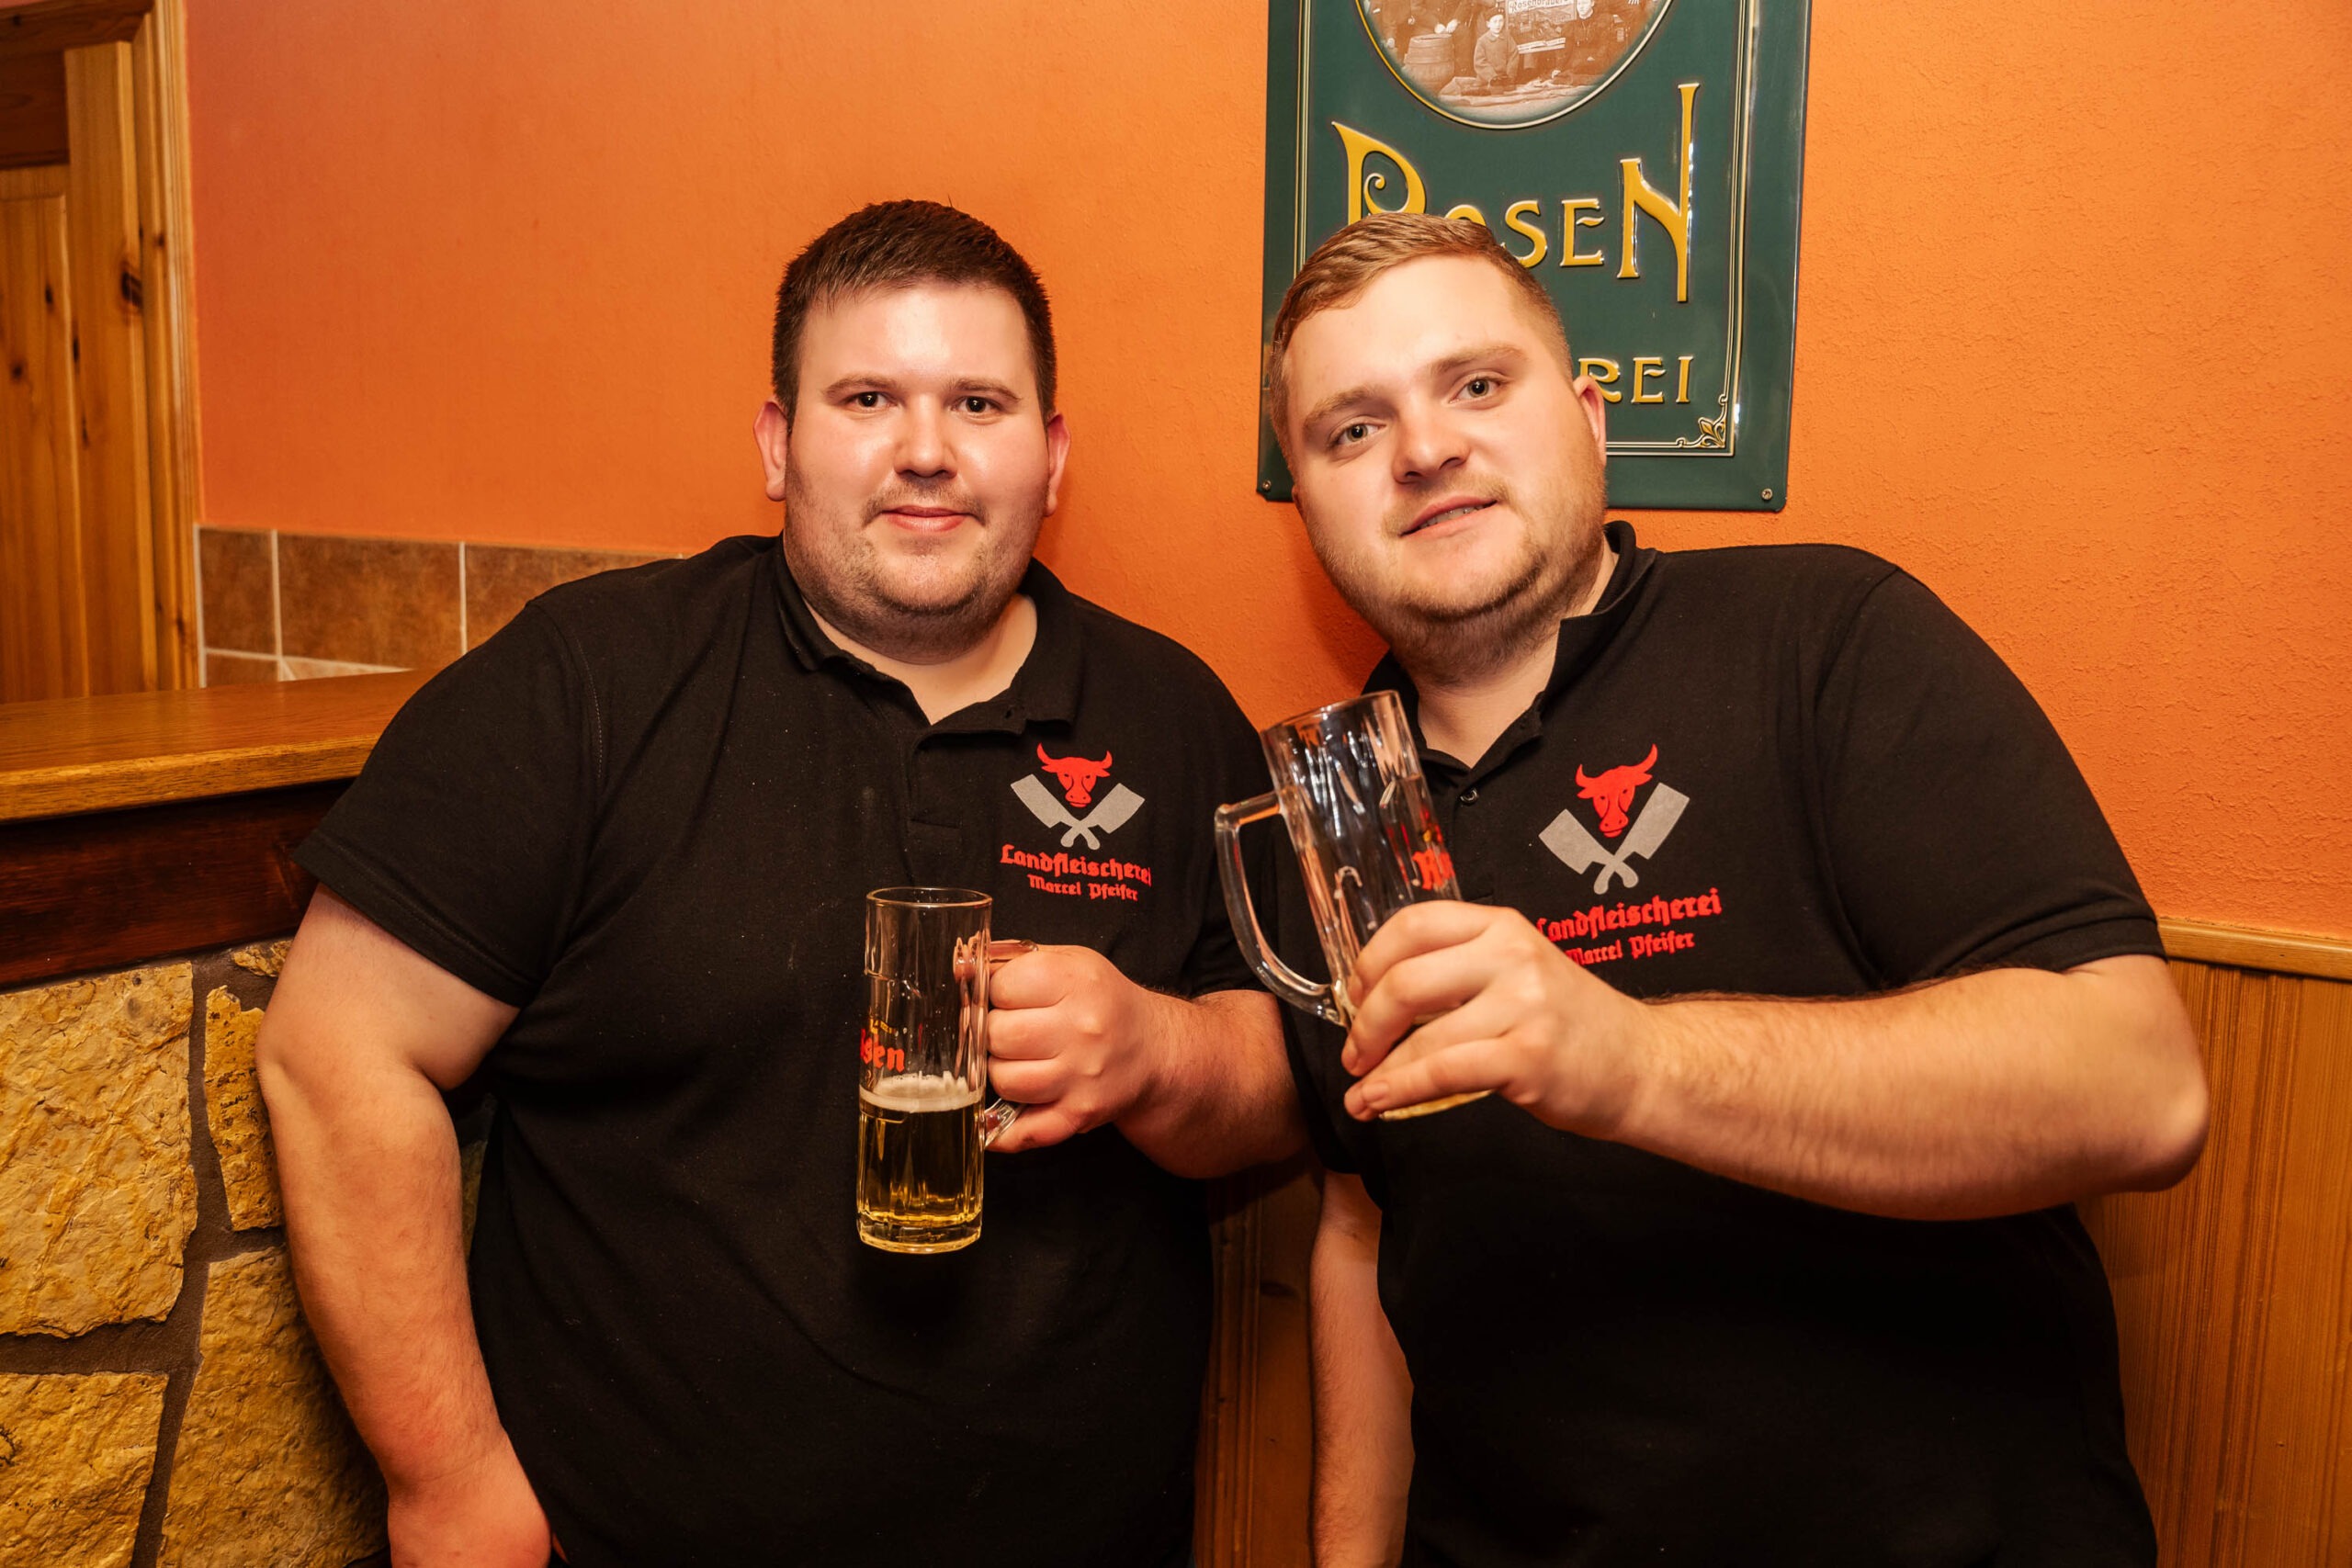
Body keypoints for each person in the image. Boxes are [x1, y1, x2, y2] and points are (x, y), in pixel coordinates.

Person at [255, 200, 1300, 1568]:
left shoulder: (1174, 716)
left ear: (1050, 459)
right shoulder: (589, 684)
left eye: (978, 403)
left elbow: (1284, 1079)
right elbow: (337, 1051)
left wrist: (1161, 1054)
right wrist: (448, 1481)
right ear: (776, 443)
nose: (925, 450)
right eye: (867, 398)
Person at [1261, 211, 2208, 1566]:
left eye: (1476, 384)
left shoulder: (1822, 639)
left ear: (1590, 419)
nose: (1423, 448)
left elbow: (2140, 1088)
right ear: (1306, 501)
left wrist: (1631, 1058)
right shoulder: (1331, 810)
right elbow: (1365, 1224)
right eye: (1352, 429)